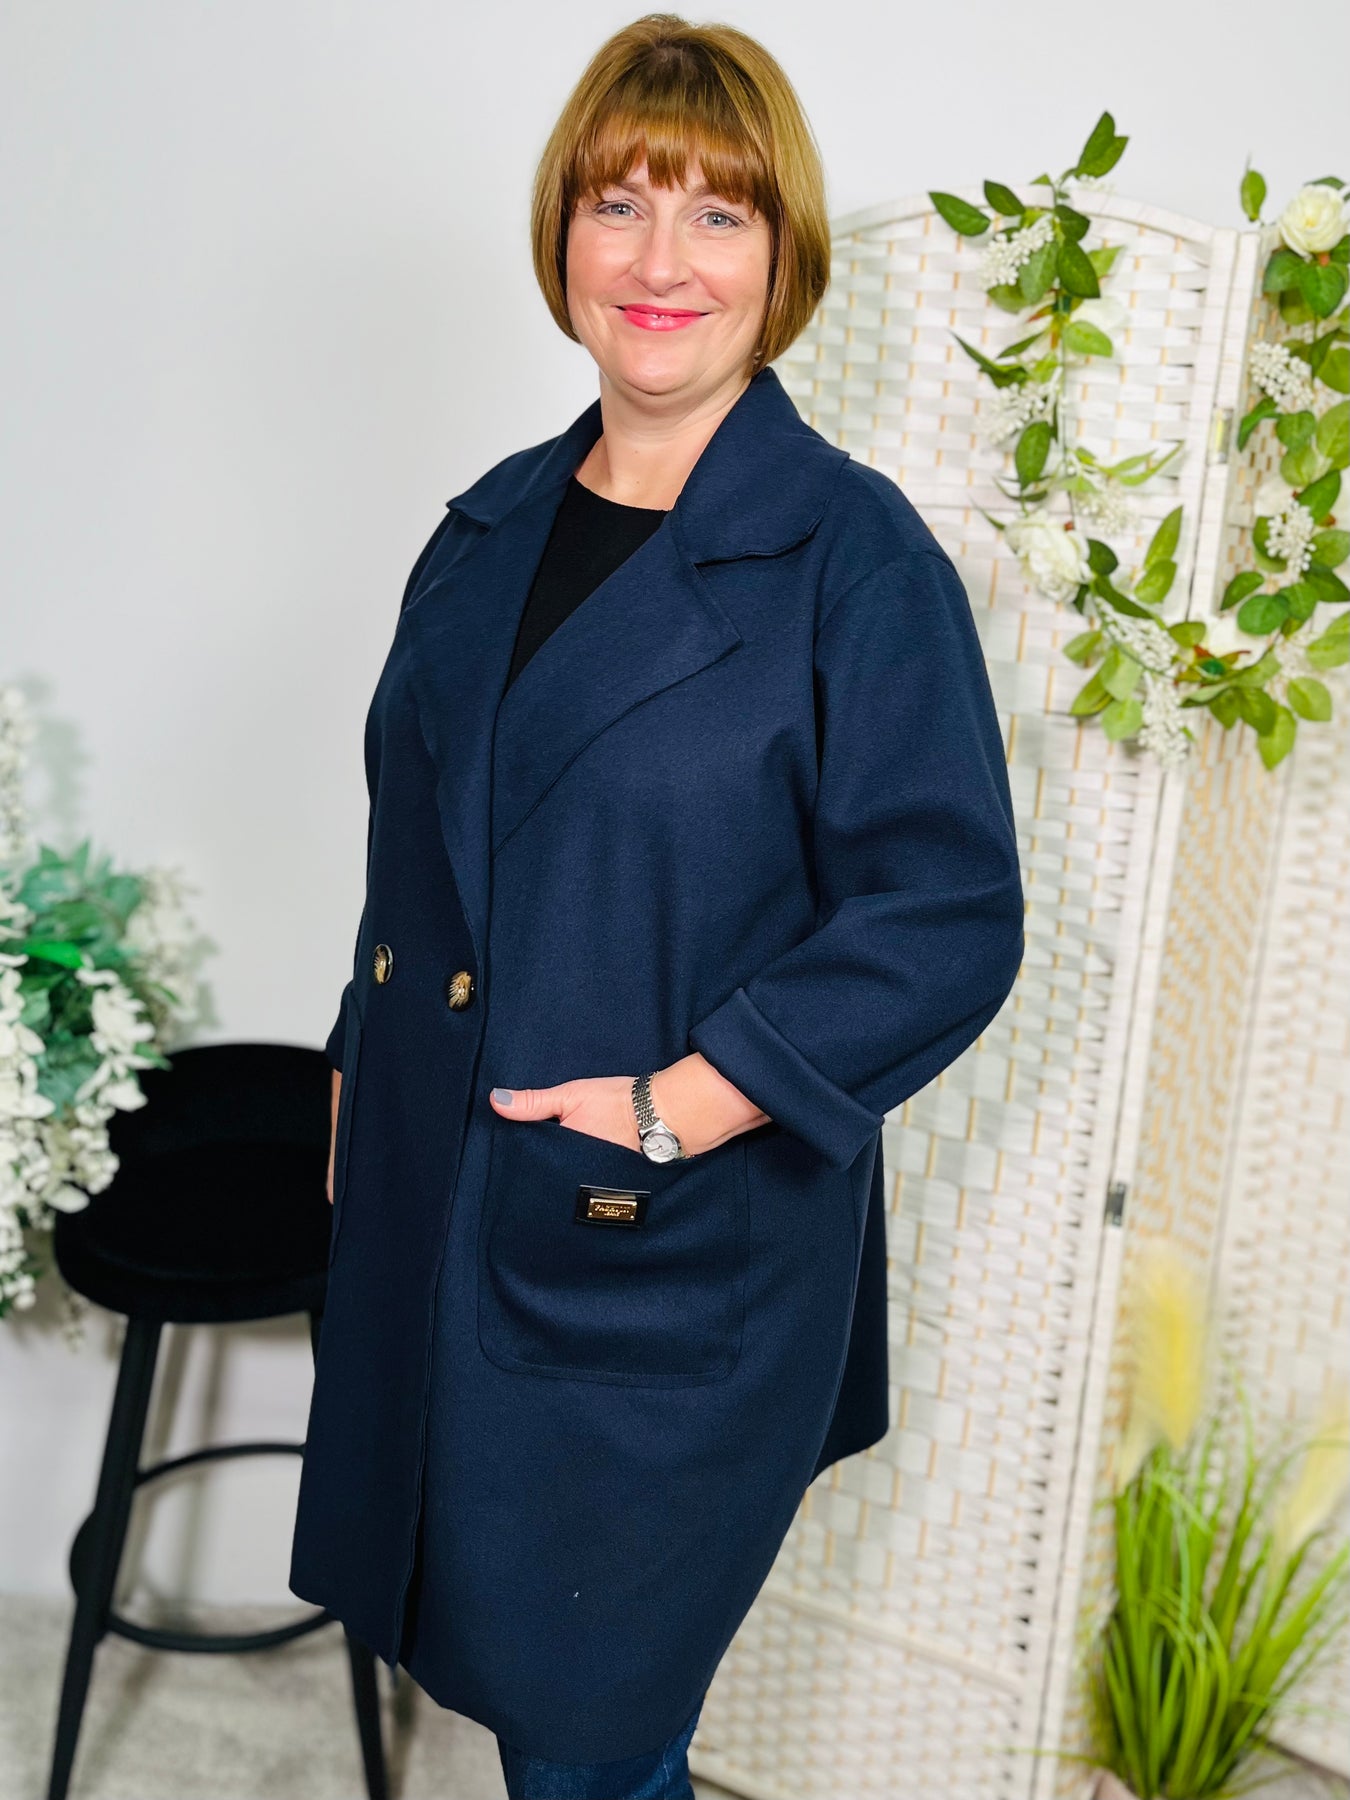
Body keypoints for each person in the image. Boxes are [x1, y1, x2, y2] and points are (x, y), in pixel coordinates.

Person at [288, 15, 1025, 1799]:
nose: (658, 261)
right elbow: (422, 857)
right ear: (563, 234)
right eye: (618, 204)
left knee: (592, 1740)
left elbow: (944, 911)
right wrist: (353, 1070)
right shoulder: (486, 528)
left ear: (783, 257)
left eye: (715, 214)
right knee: (521, 1705)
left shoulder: (855, 559)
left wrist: (680, 1105)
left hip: (665, 1244)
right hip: (438, 1194)